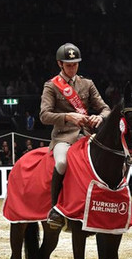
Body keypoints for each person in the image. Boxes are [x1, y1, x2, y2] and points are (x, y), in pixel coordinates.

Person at [40, 42, 110, 228]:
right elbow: (44, 115)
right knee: (62, 162)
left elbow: (105, 108)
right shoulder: (51, 86)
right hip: (64, 137)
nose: (72, 68)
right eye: (68, 65)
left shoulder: (87, 84)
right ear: (60, 64)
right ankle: (55, 210)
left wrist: (99, 118)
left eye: (75, 64)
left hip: (87, 136)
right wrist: (67, 117)